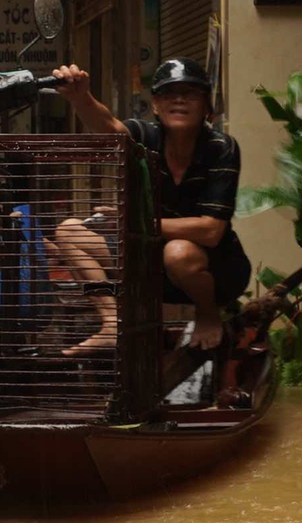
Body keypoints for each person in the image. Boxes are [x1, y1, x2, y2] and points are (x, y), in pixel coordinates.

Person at [49, 57, 249, 351]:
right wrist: (81, 97)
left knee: (178, 252)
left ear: (207, 106)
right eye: (169, 94)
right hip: (150, 264)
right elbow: (108, 126)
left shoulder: (221, 147)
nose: (179, 100)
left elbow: (211, 231)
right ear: (155, 105)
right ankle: (110, 320)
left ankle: (207, 313)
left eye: (190, 93)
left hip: (214, 272)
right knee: (69, 231)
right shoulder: (145, 137)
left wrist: (134, 222)